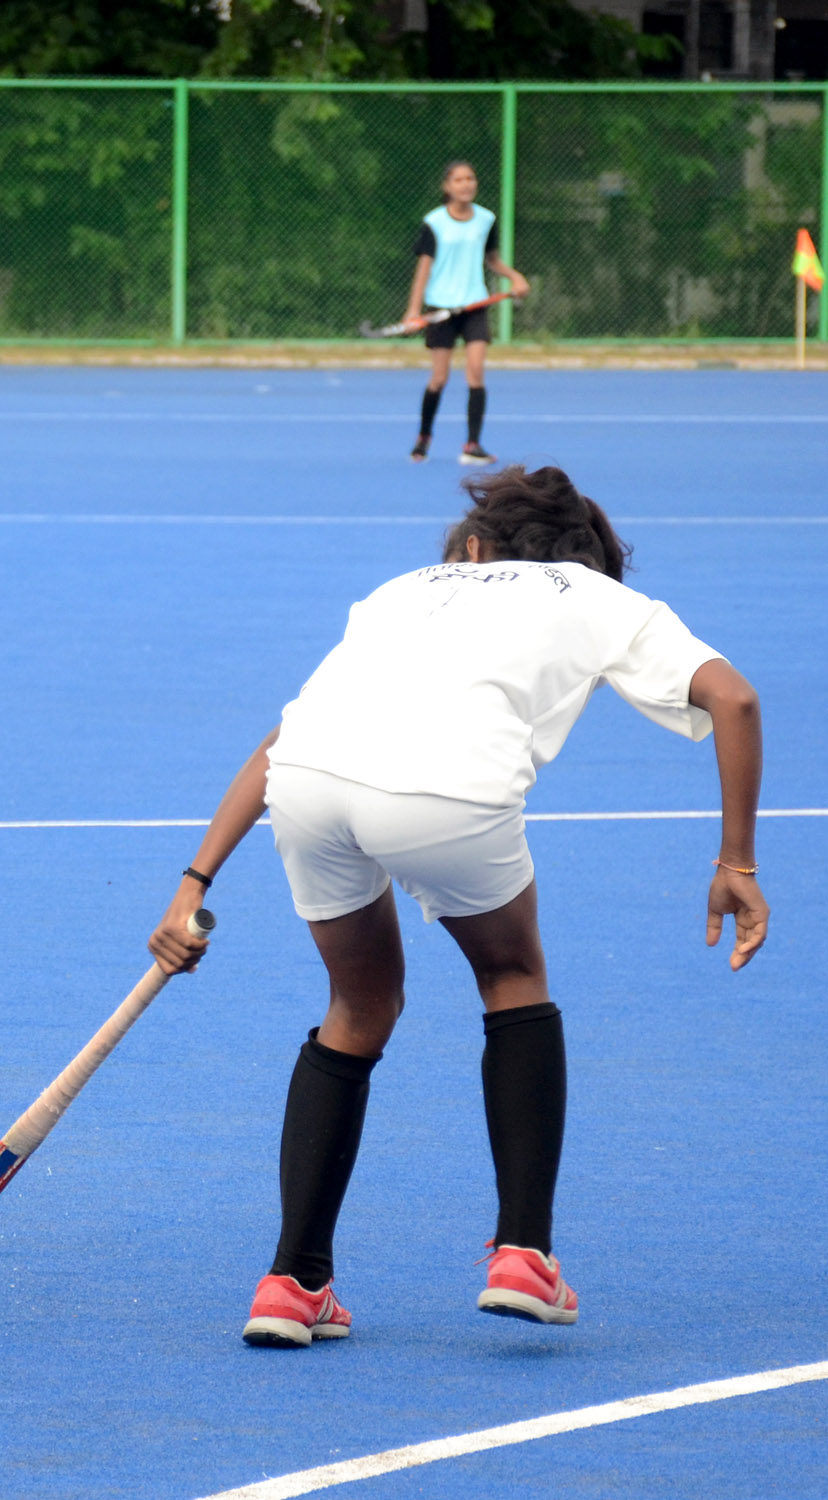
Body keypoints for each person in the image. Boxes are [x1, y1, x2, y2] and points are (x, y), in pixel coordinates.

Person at [146, 465, 766, 1348]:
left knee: (358, 1006)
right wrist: (736, 860)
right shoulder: (595, 595)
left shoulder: (402, 589)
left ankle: (292, 1283)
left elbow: (286, 739)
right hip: (448, 795)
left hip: (310, 786)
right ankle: (524, 1257)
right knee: (513, 973)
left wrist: (192, 884)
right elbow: (733, 697)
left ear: (476, 548)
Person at [405, 160, 528, 466]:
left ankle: (472, 445)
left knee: (476, 372)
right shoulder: (434, 222)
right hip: (442, 309)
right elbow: (423, 270)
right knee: (439, 378)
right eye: (459, 180)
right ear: (447, 187)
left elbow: (492, 260)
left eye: (470, 178)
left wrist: (515, 277)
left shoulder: (486, 220)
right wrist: (413, 311)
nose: (466, 184)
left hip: (475, 306)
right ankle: (423, 437)